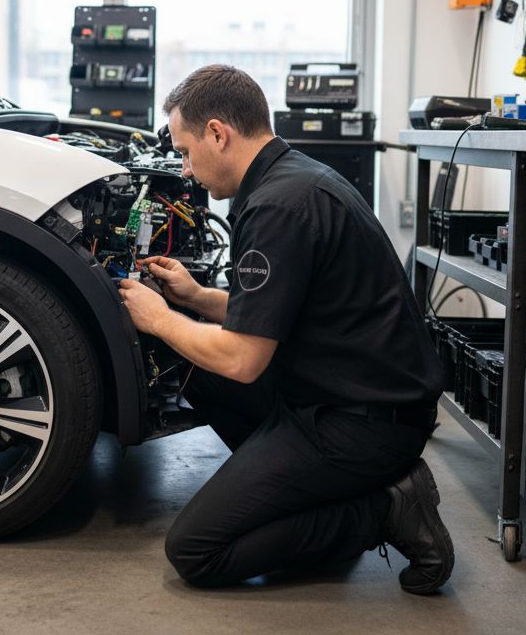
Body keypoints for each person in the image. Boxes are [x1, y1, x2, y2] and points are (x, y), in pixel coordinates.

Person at [118, 64, 453, 592]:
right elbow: (277, 310)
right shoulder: (291, 177)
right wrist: (199, 298)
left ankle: (381, 509)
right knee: (195, 377)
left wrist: (161, 320)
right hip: (346, 391)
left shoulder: (278, 207)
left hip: (360, 424)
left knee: (196, 550)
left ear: (217, 134)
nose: (184, 171)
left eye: (185, 152)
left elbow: (243, 359)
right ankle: (312, 490)